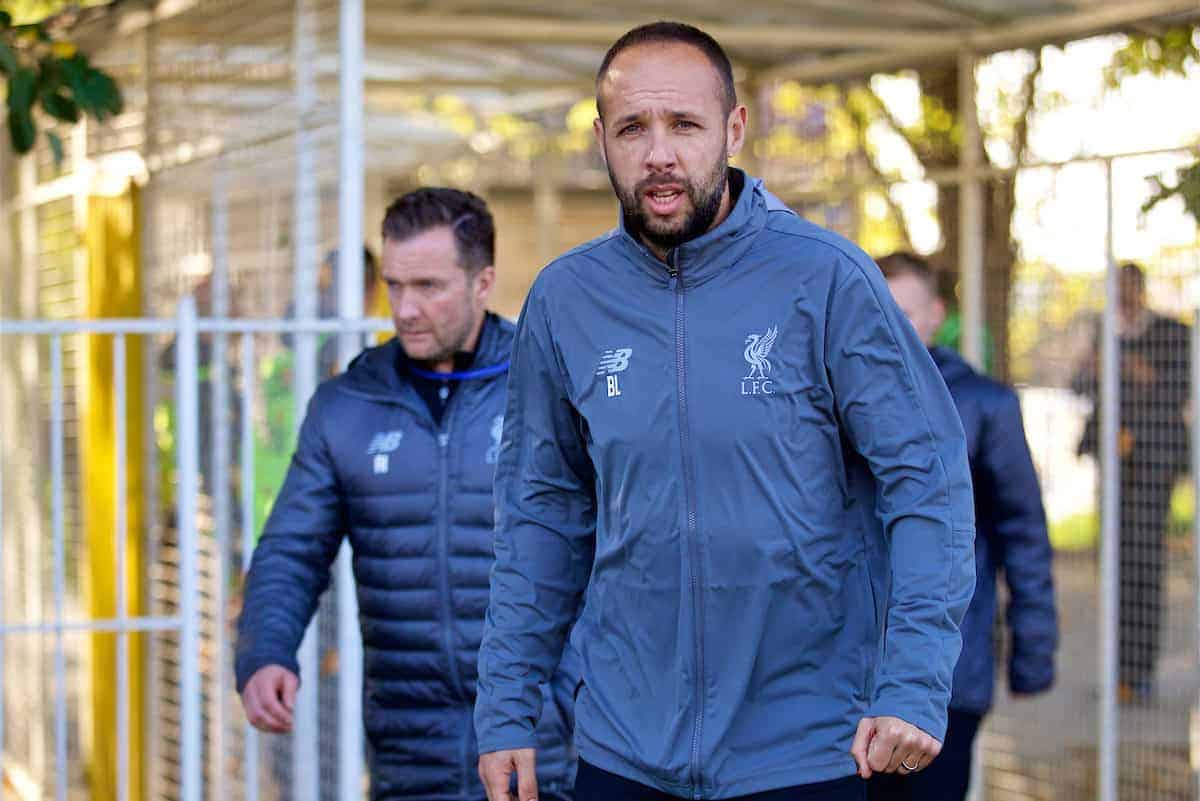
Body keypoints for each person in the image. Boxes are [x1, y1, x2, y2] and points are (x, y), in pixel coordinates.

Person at [474, 22, 975, 801]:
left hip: (803, 750)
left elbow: (927, 481)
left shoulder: (827, 279)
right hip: (622, 748)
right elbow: (543, 512)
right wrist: (506, 704)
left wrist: (912, 682)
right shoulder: (566, 300)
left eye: (686, 125)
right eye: (634, 128)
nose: (660, 154)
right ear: (601, 138)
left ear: (734, 129)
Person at [235, 188, 577, 801]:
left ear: (483, 282)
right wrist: (265, 651)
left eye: (428, 286)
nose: (406, 308)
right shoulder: (346, 405)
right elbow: (291, 548)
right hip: (407, 754)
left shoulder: (551, 387)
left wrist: (580, 697)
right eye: (394, 285)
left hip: (541, 751)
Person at [873, 252, 1058, 801]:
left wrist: (1034, 650)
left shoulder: (985, 403)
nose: (892, 324)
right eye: (880, 310)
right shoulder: (837, 400)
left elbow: (1022, 530)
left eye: (904, 310)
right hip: (851, 672)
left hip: (951, 666)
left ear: (935, 314)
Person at [1072, 261, 1190, 703]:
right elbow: (1083, 388)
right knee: (1114, 569)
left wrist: (1139, 372)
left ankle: (1139, 672)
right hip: (1115, 468)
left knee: (1143, 569)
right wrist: (1095, 366)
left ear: (1140, 289)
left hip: (1153, 470)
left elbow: (1179, 391)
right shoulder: (1106, 333)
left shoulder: (1171, 333)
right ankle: (1118, 671)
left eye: (1128, 288)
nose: (1122, 296)